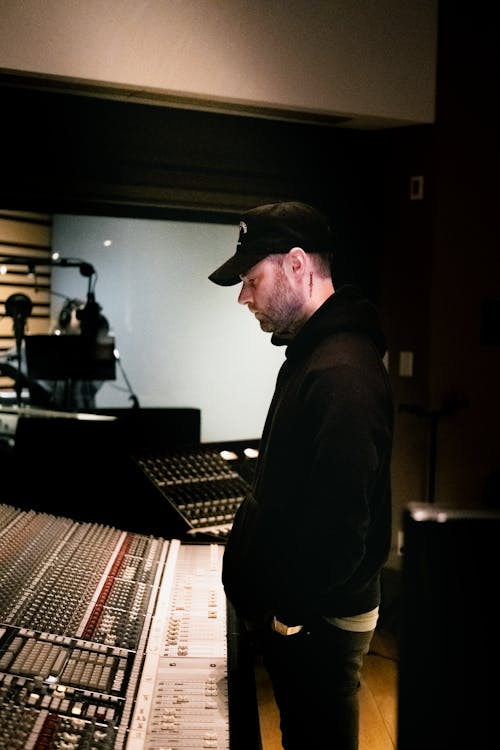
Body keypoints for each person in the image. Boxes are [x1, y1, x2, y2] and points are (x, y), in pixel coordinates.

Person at [208, 200, 394, 750]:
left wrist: (286, 616)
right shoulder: (315, 354)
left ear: (296, 265)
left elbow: (340, 530)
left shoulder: (342, 371)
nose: (244, 297)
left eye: (251, 279)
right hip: (309, 615)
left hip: (320, 620)